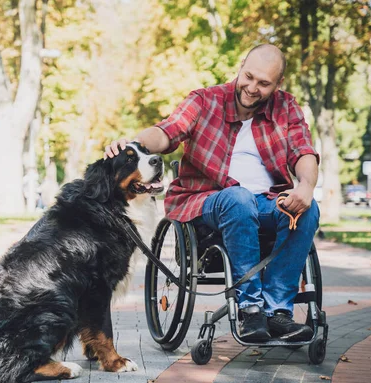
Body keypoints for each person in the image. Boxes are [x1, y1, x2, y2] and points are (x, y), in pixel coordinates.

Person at [105, 44, 320, 343]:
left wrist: (306, 187)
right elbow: (168, 131)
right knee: (238, 198)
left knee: (308, 209)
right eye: (249, 76)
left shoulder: (286, 107)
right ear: (241, 65)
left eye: (264, 83)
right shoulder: (205, 101)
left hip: (268, 201)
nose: (253, 88)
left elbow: (303, 151)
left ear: (278, 84)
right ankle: (250, 307)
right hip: (207, 200)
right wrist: (135, 147)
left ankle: (277, 312)